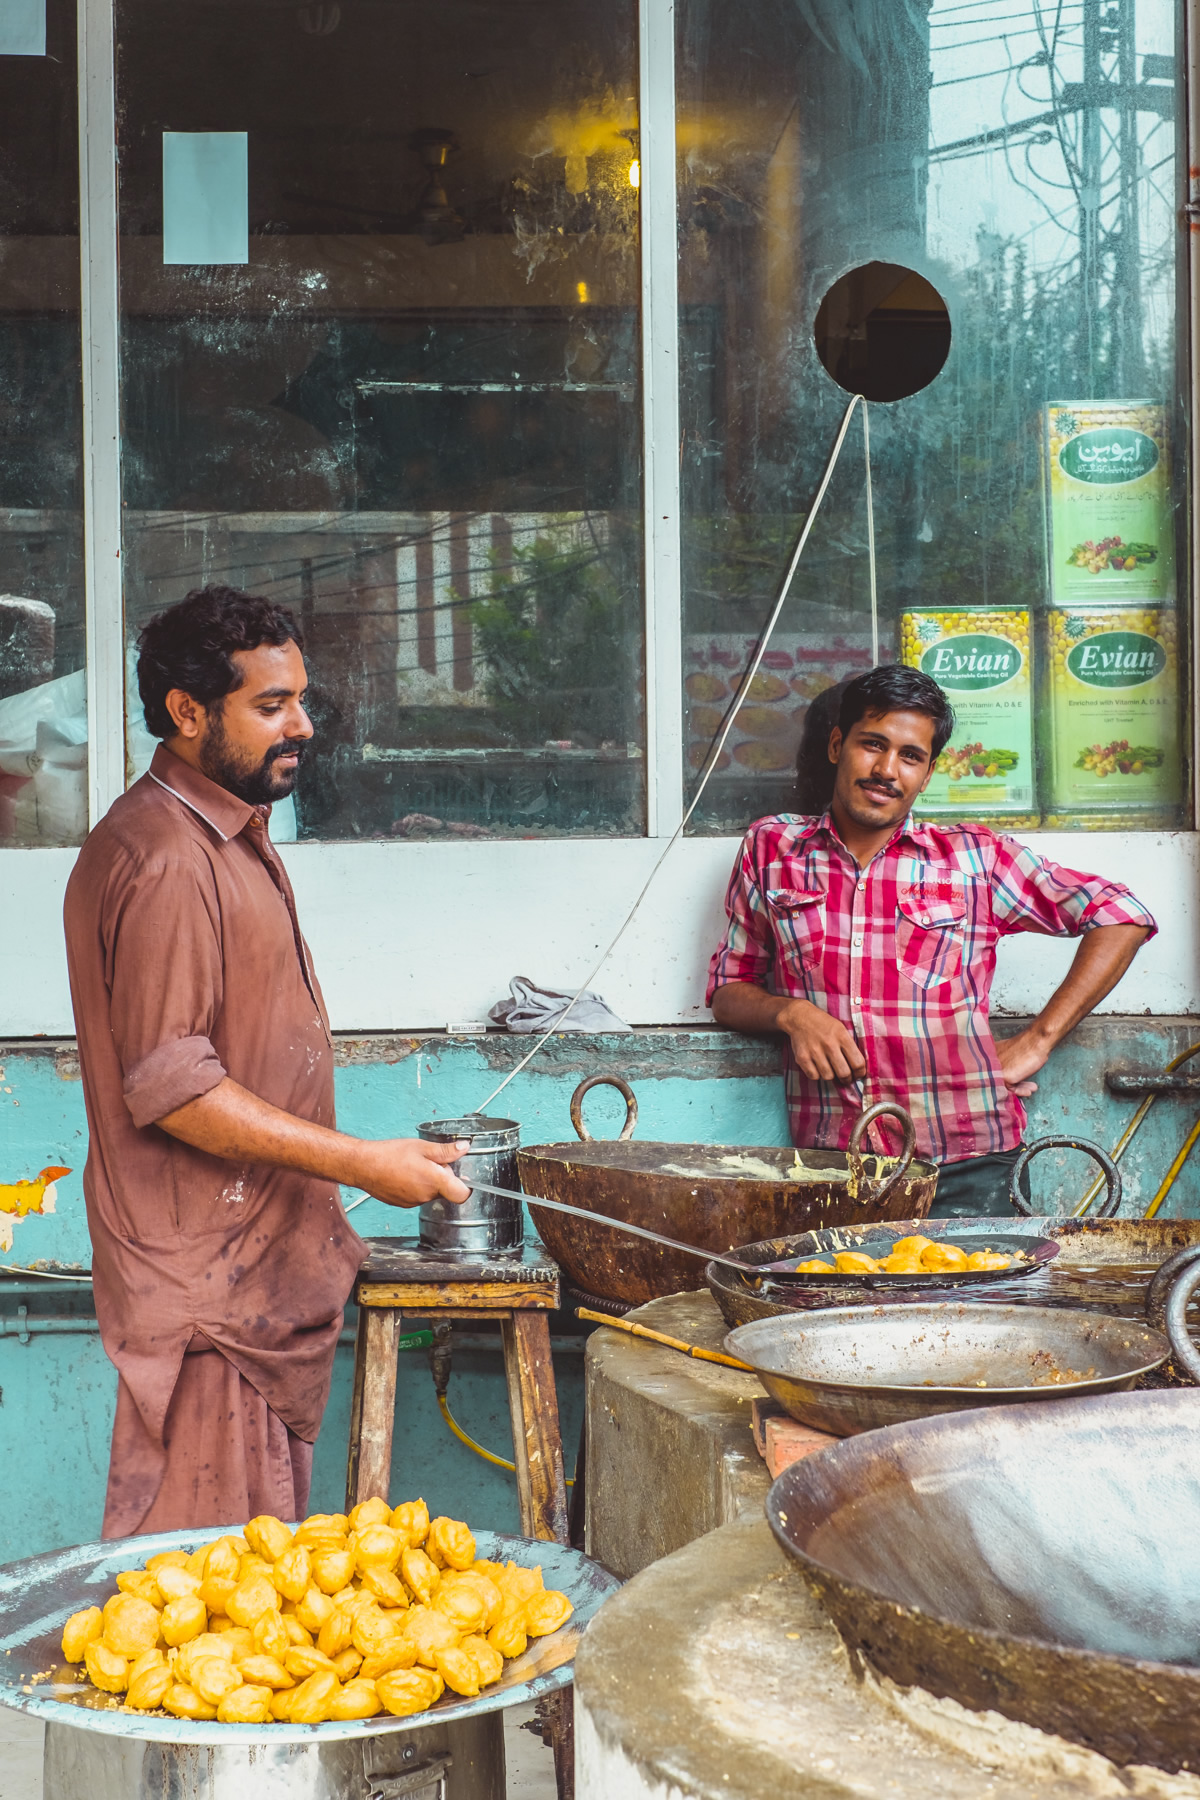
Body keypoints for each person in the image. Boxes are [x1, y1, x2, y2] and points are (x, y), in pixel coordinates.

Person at [63, 586, 469, 1537]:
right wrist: (363, 1160)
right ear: (187, 712)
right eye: (271, 706)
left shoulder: (226, 828)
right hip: (208, 1298)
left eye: (302, 699)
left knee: (248, 1593)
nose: (304, 727)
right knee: (200, 1615)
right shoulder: (163, 854)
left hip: (251, 1282)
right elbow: (173, 1088)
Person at [707, 664, 1156, 1216]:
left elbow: (1121, 914)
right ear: (836, 745)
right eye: (872, 745)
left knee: (984, 1305)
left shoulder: (974, 858)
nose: (886, 770)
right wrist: (791, 1014)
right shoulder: (772, 848)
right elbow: (729, 987)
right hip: (833, 1165)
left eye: (910, 756)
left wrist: (1039, 1039)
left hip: (970, 1162)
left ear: (927, 772)